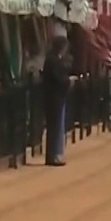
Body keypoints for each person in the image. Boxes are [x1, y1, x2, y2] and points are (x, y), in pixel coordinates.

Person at [41, 35, 74, 166]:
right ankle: (52, 155)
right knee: (54, 127)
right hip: (53, 98)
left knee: (57, 126)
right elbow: (56, 79)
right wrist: (68, 81)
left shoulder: (55, 59)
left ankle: (56, 153)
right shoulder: (52, 60)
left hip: (58, 97)